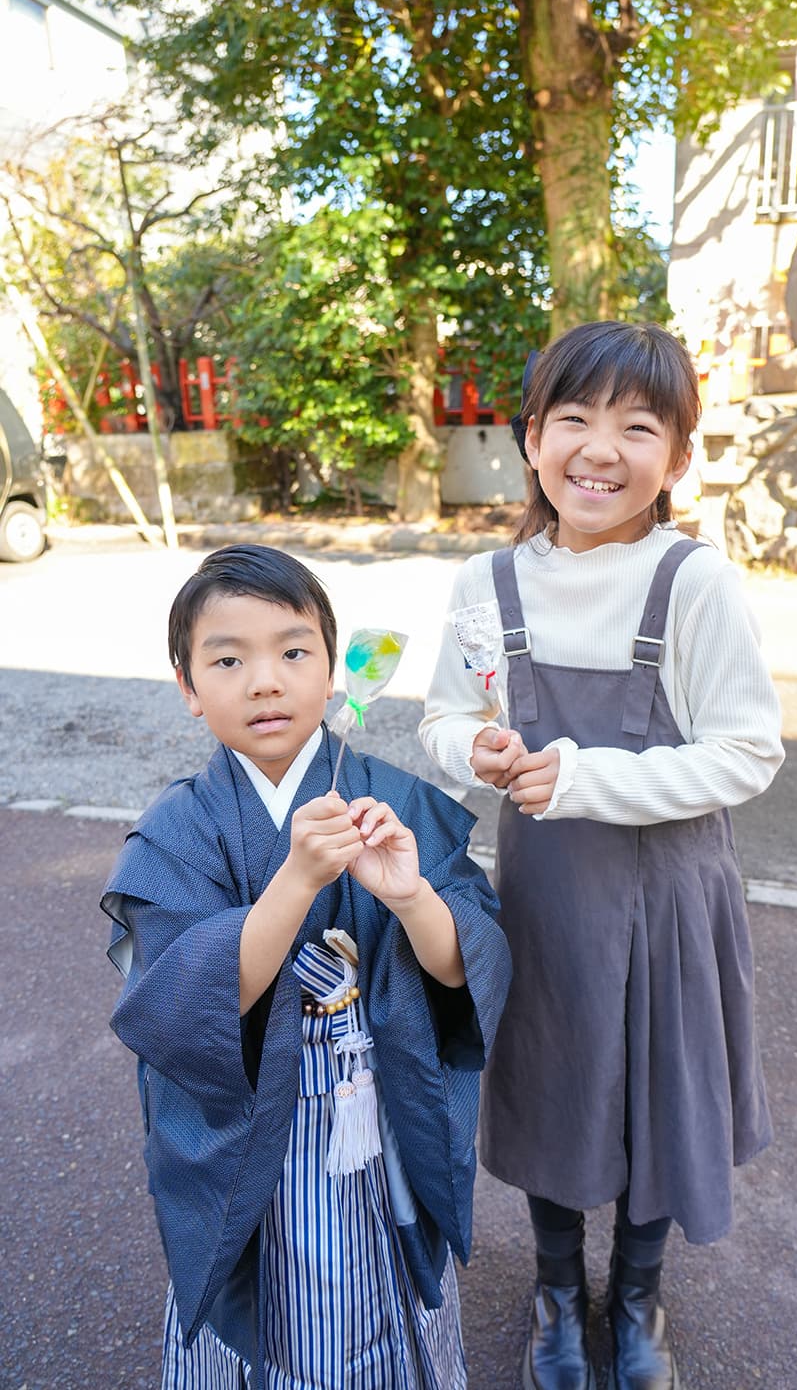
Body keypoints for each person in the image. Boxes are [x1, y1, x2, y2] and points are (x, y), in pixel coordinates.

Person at [419, 320, 784, 1390]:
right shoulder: (487, 584)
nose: (599, 448)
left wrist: (583, 777)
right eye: (572, 417)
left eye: (637, 425)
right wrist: (474, 749)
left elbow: (747, 751)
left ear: (677, 457)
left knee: (657, 1096)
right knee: (552, 1089)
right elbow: (440, 718)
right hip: (542, 898)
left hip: (673, 897)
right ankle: (552, 1292)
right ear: (531, 437)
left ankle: (634, 1295)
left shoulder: (695, 583)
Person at [102, 543, 511, 1390]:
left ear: (335, 672)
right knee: (275, 1306)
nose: (265, 681)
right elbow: (178, 1005)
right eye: (227, 659)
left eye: (294, 652)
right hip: (257, 1136)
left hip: (380, 1107)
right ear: (187, 688)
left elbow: (462, 966)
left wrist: (408, 897)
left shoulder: (385, 799)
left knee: (386, 1285)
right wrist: (297, 880)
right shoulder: (179, 829)